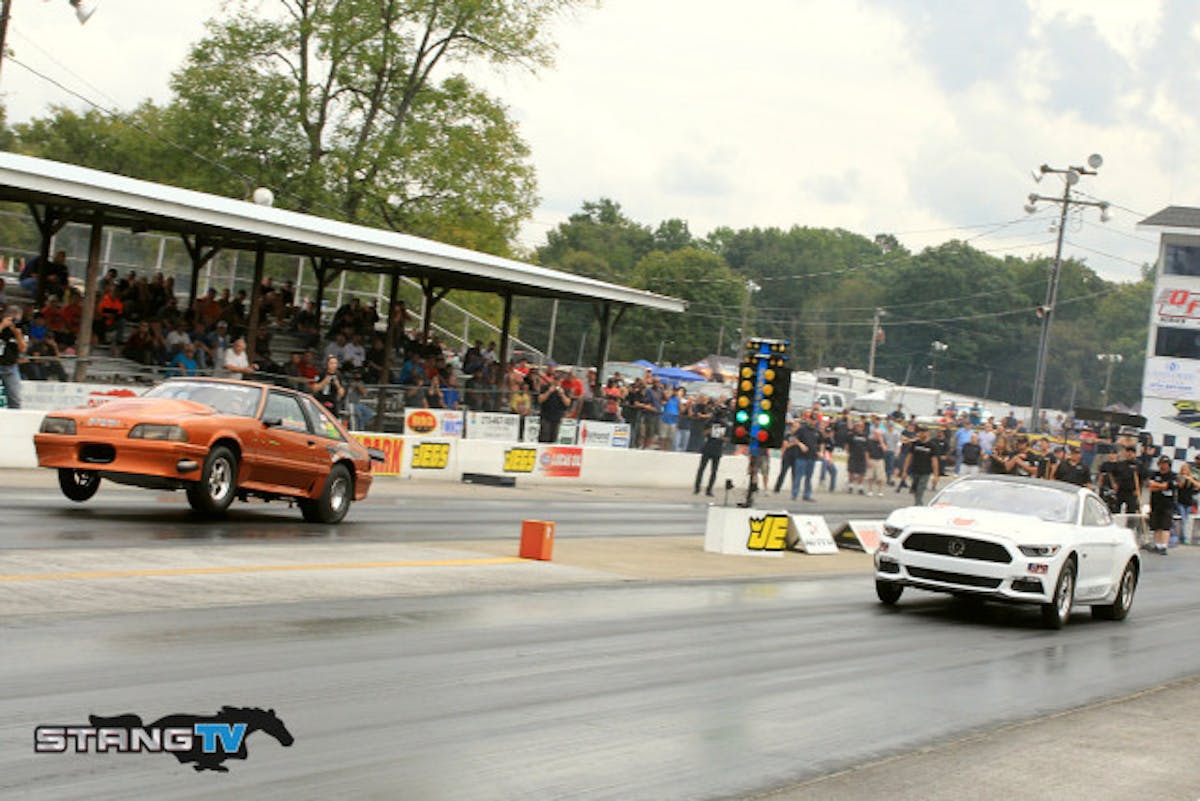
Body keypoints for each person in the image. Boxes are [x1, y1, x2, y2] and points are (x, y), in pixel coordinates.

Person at [898, 427, 939, 505]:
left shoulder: (932, 446)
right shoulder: (915, 444)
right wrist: (904, 471)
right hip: (915, 470)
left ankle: (918, 505)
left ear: (928, 433)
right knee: (915, 489)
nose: (922, 434)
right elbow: (909, 457)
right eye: (920, 432)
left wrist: (936, 475)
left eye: (924, 432)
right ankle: (918, 503)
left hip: (926, 471)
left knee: (920, 489)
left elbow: (934, 461)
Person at [693, 406, 728, 497]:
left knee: (714, 471)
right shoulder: (709, 422)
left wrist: (721, 437)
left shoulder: (724, 424)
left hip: (717, 448)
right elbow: (703, 433)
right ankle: (697, 488)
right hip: (708, 447)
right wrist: (710, 430)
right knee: (702, 469)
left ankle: (709, 489)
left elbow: (727, 438)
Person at [1147, 456, 1176, 556]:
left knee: (1165, 525)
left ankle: (1164, 546)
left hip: (1167, 504)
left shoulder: (1172, 475)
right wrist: (1161, 486)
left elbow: (1168, 486)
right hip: (1155, 503)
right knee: (1156, 525)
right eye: (1161, 463)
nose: (1163, 465)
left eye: (1165, 463)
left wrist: (1158, 485)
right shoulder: (1155, 474)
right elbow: (1150, 486)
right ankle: (1157, 544)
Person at [0, 303, 28, 407]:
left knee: (15, 396)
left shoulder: (21, 328)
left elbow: (23, 348)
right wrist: (2, 325)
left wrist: (17, 333)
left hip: (10, 366)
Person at [536, 370, 571, 443]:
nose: (557, 382)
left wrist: (562, 394)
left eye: (558, 380)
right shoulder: (545, 388)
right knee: (544, 436)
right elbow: (540, 399)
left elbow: (567, 403)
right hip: (546, 416)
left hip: (557, 417)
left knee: (553, 437)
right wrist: (549, 392)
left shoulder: (565, 390)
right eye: (555, 379)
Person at [311, 355, 346, 419]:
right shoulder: (321, 373)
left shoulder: (339, 375)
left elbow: (342, 393)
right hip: (320, 400)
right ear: (327, 364)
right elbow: (314, 388)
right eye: (331, 363)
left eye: (335, 363)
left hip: (332, 401)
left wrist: (337, 385)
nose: (333, 365)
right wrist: (324, 382)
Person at [1176, 463, 1199, 546]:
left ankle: (1184, 536)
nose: (1184, 471)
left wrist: (1190, 479)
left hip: (1189, 502)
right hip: (1180, 502)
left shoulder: (1192, 479)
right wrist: (1183, 478)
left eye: (1186, 470)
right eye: (1183, 470)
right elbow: (1180, 486)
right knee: (1183, 519)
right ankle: (1184, 537)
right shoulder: (1179, 478)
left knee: (1186, 520)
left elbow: (1198, 486)